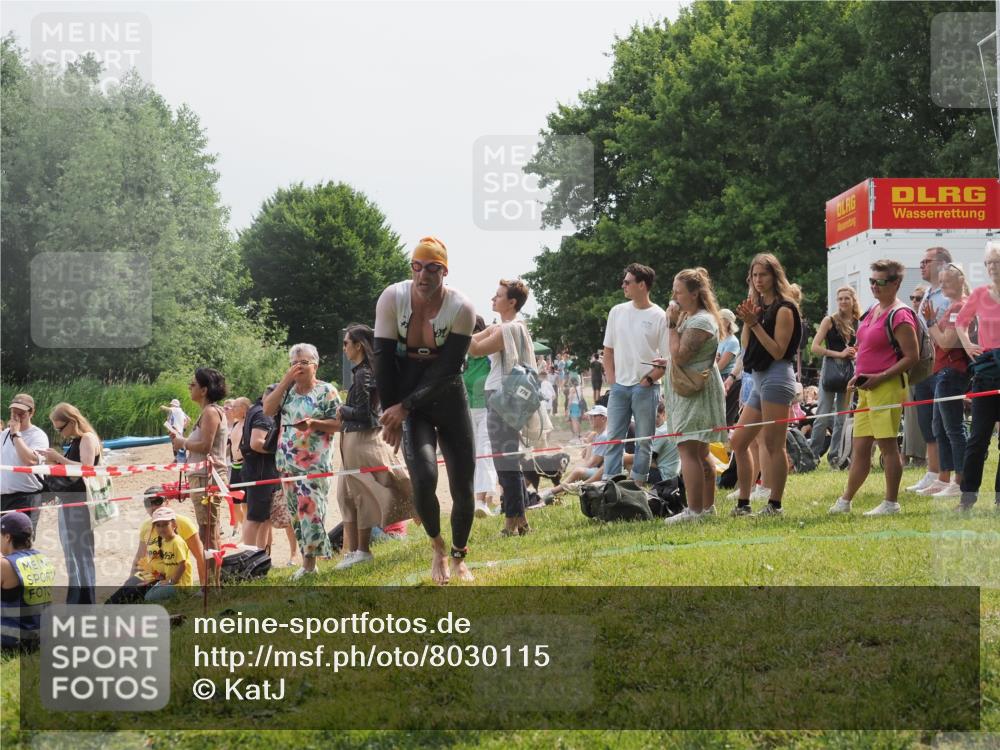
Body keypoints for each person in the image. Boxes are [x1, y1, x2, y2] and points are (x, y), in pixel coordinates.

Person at [373, 237, 477, 584]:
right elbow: (383, 359)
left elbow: (449, 369)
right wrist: (391, 412)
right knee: (424, 478)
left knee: (463, 485)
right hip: (407, 398)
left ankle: (461, 555)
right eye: (417, 267)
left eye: (432, 268)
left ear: (444, 272)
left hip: (446, 394)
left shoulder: (462, 308)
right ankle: (437, 546)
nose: (423, 275)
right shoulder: (393, 298)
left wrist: (404, 406)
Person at [830, 259, 918, 515]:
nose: (874, 286)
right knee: (860, 448)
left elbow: (910, 357)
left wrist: (880, 377)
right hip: (866, 388)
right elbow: (866, 349)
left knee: (888, 447)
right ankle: (845, 500)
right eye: (871, 281)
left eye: (880, 282)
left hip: (887, 387)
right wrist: (857, 376)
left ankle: (891, 503)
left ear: (895, 283)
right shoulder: (872, 310)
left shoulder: (900, 315)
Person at [730, 253, 803, 517]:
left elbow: (778, 351)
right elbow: (747, 346)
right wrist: (749, 322)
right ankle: (744, 502)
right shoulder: (758, 306)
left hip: (776, 377)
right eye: (754, 275)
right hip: (758, 378)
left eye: (763, 274)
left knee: (774, 445)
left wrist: (755, 324)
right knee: (739, 441)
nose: (758, 280)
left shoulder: (785, 308)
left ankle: (775, 504)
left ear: (775, 276)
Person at [336, 324, 414, 570]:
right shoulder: (362, 372)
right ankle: (354, 552)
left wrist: (341, 410)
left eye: (347, 343)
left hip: (363, 440)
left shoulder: (363, 374)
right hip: (353, 441)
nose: (344, 347)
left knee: (362, 497)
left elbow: (365, 415)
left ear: (358, 345)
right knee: (346, 497)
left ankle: (362, 551)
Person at [263, 343, 342, 580]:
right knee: (296, 515)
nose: (298, 367)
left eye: (304, 362)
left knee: (311, 512)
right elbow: (267, 409)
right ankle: (307, 562)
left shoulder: (327, 390)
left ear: (315, 365)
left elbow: (340, 424)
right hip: (286, 463)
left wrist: (314, 424)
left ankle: (310, 565)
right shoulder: (286, 391)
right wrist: (285, 381)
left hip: (314, 464)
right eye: (294, 363)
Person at [656, 268, 727, 523]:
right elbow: (679, 357)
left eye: (679, 292)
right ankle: (707, 508)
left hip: (695, 392)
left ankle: (695, 511)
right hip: (690, 389)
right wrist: (666, 362)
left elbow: (681, 355)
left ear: (695, 293)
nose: (674, 298)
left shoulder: (701, 321)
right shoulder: (694, 317)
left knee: (688, 449)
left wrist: (672, 324)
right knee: (699, 451)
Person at [469, 278, 536, 537]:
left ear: (511, 302)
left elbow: (474, 348)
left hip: (501, 397)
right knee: (509, 460)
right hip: (504, 397)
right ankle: (521, 521)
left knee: (504, 462)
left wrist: (457, 328)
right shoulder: (507, 326)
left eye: (498, 296)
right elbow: (476, 339)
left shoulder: (507, 330)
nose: (492, 299)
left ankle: (510, 522)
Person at [602, 263, 669, 483]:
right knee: (613, 438)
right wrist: (612, 382)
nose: (623, 285)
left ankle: (637, 486)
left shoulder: (659, 315)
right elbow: (608, 350)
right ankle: (610, 484)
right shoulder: (617, 311)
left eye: (627, 281)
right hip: (619, 386)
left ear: (642, 285)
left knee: (643, 441)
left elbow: (667, 359)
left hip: (646, 387)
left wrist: (649, 380)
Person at [38, 403, 101, 604]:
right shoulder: (77, 440)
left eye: (60, 428)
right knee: (72, 554)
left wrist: (58, 458)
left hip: (80, 504)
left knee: (81, 554)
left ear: (72, 421)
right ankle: (77, 601)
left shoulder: (87, 438)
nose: (59, 433)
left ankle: (85, 602)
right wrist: (53, 462)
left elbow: (87, 469)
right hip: (70, 502)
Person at [955, 240, 1000, 511]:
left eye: (998, 263)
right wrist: (968, 344)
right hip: (986, 371)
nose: (993, 268)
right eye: (989, 263)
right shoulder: (980, 294)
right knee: (978, 439)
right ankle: (967, 497)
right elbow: (961, 321)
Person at [905, 247, 954, 495]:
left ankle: (947, 476)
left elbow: (945, 334)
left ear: (943, 264)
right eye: (921, 261)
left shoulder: (948, 294)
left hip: (943, 364)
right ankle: (933, 473)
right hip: (924, 365)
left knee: (944, 423)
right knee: (928, 421)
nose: (922, 265)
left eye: (927, 261)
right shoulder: (927, 295)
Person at [922, 263, 970, 498]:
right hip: (943, 372)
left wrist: (931, 324)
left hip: (952, 373)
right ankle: (944, 478)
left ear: (960, 281)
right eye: (939, 282)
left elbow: (947, 342)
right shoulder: (953, 307)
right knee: (940, 427)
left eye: (945, 282)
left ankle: (959, 480)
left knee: (953, 428)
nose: (941, 286)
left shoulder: (960, 307)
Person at [108, 490, 205, 603]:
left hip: (173, 579)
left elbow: (200, 556)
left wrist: (204, 588)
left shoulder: (182, 523)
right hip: (153, 574)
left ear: (167, 501)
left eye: (157, 501)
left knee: (140, 598)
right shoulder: (146, 526)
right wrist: (130, 581)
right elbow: (140, 559)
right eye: (148, 503)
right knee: (121, 595)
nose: (153, 506)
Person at [170, 368, 228, 552]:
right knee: (209, 531)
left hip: (207, 477)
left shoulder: (211, 412)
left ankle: (211, 579)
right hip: (204, 476)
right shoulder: (209, 411)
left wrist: (183, 442)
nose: (189, 387)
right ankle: (211, 578)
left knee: (208, 533)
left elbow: (205, 446)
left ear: (204, 390)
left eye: (193, 384)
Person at [809, 286, 860, 465]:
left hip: (849, 372)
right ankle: (812, 456)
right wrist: (840, 354)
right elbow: (814, 347)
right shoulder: (829, 320)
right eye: (840, 298)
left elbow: (862, 346)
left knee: (842, 417)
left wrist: (855, 353)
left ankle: (836, 456)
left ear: (853, 300)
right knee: (822, 415)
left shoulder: (858, 322)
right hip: (831, 370)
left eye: (847, 298)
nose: (843, 302)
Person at [0, 511, 54, 651]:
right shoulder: (44, 559)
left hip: (13, 641)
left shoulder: (5, 565)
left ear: (7, 537)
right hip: (42, 637)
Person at [463, 315, 498, 518]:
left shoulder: (489, 356)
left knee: (484, 452)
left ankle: (481, 501)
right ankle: (479, 498)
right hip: (467, 411)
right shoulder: (463, 358)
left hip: (487, 409)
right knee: (473, 455)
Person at [538, 405, 610, 501]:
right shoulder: (598, 435)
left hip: (604, 471)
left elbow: (594, 462)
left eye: (594, 416)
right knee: (577, 471)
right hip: (599, 469)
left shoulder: (603, 436)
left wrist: (581, 467)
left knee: (578, 471)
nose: (590, 419)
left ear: (603, 418)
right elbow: (587, 458)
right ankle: (558, 490)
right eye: (590, 416)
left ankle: (552, 492)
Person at [1, 394, 49, 533]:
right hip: (4, 498)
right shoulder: (4, 435)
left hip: (26, 497)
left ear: (31, 412)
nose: (16, 417)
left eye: (21, 413)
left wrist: (16, 434)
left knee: (21, 542)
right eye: (13, 412)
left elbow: (30, 460)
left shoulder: (38, 435)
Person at [240, 385, 280, 551]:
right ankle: (248, 558)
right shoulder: (263, 414)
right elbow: (256, 443)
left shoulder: (255, 410)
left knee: (264, 518)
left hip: (257, 469)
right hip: (261, 471)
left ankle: (260, 556)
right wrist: (281, 449)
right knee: (256, 517)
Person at [142, 506, 192, 601]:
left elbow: (183, 565)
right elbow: (169, 564)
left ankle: (180, 596)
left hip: (180, 584)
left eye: (165, 524)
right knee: (147, 593)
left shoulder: (177, 542)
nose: (161, 528)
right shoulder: (164, 542)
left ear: (174, 524)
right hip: (169, 581)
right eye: (158, 525)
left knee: (149, 598)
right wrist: (158, 577)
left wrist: (171, 582)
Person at [225, 397, 251, 537]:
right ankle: (243, 528)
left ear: (244, 408)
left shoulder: (248, 424)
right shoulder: (236, 425)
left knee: (245, 504)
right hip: (234, 465)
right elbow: (229, 445)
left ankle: (245, 535)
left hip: (244, 464)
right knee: (234, 502)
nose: (232, 410)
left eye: (235, 407)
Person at [717, 309, 742, 427]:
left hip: (728, 381)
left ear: (727, 322)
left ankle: (724, 444)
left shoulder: (733, 341)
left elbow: (721, 365)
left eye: (719, 318)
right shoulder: (718, 339)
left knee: (725, 417)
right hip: (717, 377)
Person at [566, 373, 585, 441]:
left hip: (573, 406)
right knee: (578, 422)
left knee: (574, 422)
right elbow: (582, 397)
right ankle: (579, 436)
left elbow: (570, 400)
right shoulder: (580, 388)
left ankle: (575, 437)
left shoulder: (572, 389)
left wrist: (568, 409)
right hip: (579, 406)